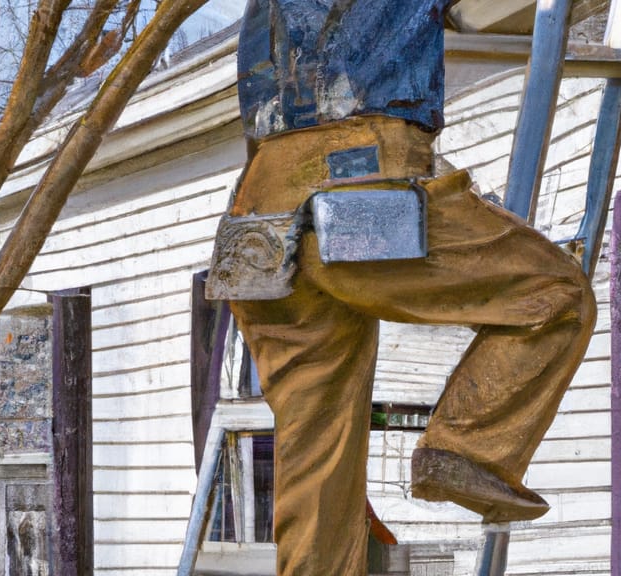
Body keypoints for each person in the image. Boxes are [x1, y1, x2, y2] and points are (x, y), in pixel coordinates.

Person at [206, 1, 596, 574]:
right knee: (557, 294)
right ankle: (462, 448)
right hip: (358, 173)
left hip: (256, 212)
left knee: (318, 464)